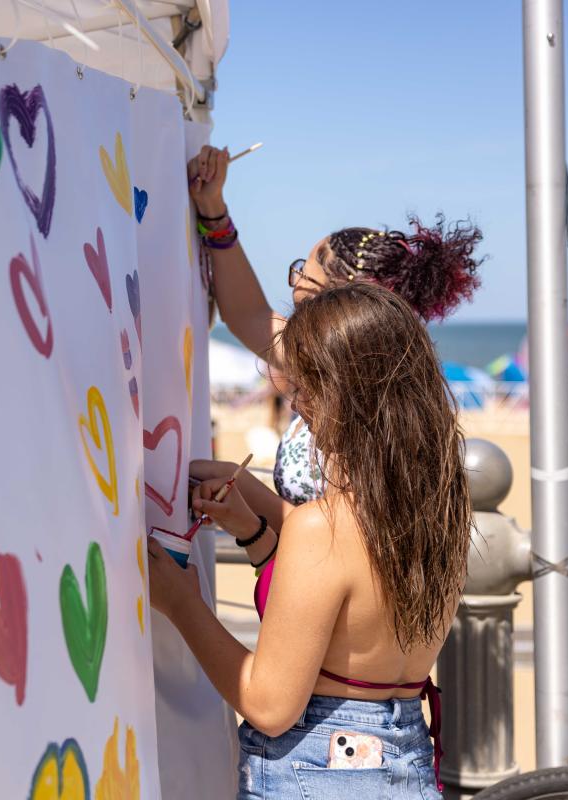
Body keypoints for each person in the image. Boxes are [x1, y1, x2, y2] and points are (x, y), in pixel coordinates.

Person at [148, 282, 470, 799]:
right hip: (405, 752)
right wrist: (254, 531)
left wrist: (182, 603)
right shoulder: (440, 511)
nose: (297, 404)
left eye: (303, 388)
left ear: (340, 394)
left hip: (317, 769)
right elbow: (349, 619)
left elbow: (270, 706)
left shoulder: (323, 526)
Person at [185, 144, 483, 616]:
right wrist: (214, 213)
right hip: (319, 612)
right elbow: (251, 315)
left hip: (339, 634)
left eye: (304, 275)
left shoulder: (370, 407)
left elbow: (350, 544)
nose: (294, 284)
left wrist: (252, 520)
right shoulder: (369, 380)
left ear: (338, 304)